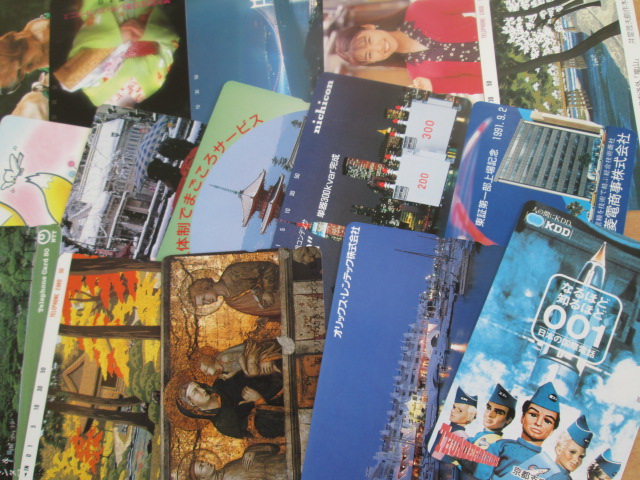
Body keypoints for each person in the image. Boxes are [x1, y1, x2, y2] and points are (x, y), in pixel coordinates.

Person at [334, 0, 482, 95]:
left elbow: (476, 2)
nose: (378, 48)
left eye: (369, 40)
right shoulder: (419, 75)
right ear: (372, 62)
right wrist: (434, 86)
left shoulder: (419, 9)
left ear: (369, 27)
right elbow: (477, 85)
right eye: (369, 55)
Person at [53, 0, 179, 107]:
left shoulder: (95, 93)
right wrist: (146, 32)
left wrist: (117, 37)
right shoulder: (153, 84)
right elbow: (171, 43)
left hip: (105, 7)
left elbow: (74, 66)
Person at [472, 382, 562, 480]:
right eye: (533, 415)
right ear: (522, 417)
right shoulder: (500, 446)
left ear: (552, 430)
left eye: (547, 421)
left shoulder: (549, 469)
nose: (538, 423)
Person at [176, 369, 285, 439]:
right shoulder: (224, 424)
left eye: (198, 386)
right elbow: (266, 427)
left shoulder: (221, 383)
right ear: (192, 403)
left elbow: (252, 372)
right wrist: (259, 400)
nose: (202, 390)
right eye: (195, 392)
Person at [187, 261, 280, 317]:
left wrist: (268, 290)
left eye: (203, 299)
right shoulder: (231, 302)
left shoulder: (233, 273)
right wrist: (265, 317)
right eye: (204, 304)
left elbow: (267, 267)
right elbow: (265, 308)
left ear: (206, 287)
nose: (208, 303)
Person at [186, 444, 287, 480]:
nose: (206, 463)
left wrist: (252, 451)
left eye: (202, 462)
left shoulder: (228, 466)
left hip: (283, 462)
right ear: (203, 478)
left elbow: (273, 448)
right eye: (201, 467)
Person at [432, 386, 478, 463]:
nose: (453, 411)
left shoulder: (462, 437)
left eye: (460, 410)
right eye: (454, 407)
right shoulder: (446, 429)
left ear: (469, 417)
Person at [199, 339, 282, 379]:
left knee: (252, 371)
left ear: (209, 362)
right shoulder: (223, 367)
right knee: (253, 371)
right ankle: (274, 368)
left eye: (206, 370)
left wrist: (245, 371)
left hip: (250, 350)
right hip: (247, 358)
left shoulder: (223, 358)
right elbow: (236, 367)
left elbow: (241, 357)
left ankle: (272, 362)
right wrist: (229, 375)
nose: (206, 374)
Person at [549, 414, 593, 479]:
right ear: (559, 449)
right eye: (572, 452)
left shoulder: (541, 468)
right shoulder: (564, 478)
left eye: (581, 457)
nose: (576, 460)